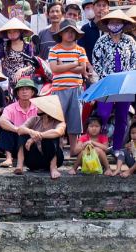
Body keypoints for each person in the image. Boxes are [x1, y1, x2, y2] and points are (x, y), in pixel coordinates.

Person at [92, 10, 136, 153]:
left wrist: (129, 75)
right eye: (112, 22)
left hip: (124, 84)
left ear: (123, 24)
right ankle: (98, 146)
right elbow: (96, 61)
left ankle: (117, 147)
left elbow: (135, 60)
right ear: (107, 24)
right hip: (107, 83)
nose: (115, 25)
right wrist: (106, 76)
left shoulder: (130, 41)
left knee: (122, 117)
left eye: (118, 22)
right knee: (102, 116)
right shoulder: (101, 41)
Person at [49, 18, 88, 157]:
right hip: (59, 89)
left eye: (73, 31)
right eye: (67, 31)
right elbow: (54, 68)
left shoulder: (80, 49)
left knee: (75, 120)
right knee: (58, 121)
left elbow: (82, 68)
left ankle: (73, 150)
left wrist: (63, 66)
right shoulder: (54, 49)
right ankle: (57, 151)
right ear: (61, 33)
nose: (70, 34)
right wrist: (73, 64)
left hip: (76, 89)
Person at [15, 95, 66, 178]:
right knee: (23, 136)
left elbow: (58, 132)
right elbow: (20, 129)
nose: (37, 108)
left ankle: (53, 168)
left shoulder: (59, 123)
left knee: (51, 138)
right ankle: (19, 166)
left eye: (41, 106)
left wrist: (38, 136)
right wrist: (31, 132)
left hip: (54, 158)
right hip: (35, 159)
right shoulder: (34, 120)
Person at [0, 18, 35, 90]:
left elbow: (31, 66)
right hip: (12, 81)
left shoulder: (28, 46)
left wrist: (21, 70)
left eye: (15, 31)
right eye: (9, 32)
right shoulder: (4, 46)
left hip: (25, 80)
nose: (12, 34)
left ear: (20, 32)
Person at [0, 78, 38, 168]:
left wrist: (26, 132)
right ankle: (8, 158)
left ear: (32, 92)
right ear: (17, 93)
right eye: (22, 89)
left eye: (27, 89)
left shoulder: (38, 108)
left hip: (31, 143)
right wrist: (17, 129)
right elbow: (1, 121)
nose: (24, 92)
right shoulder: (10, 108)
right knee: (7, 125)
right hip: (14, 144)